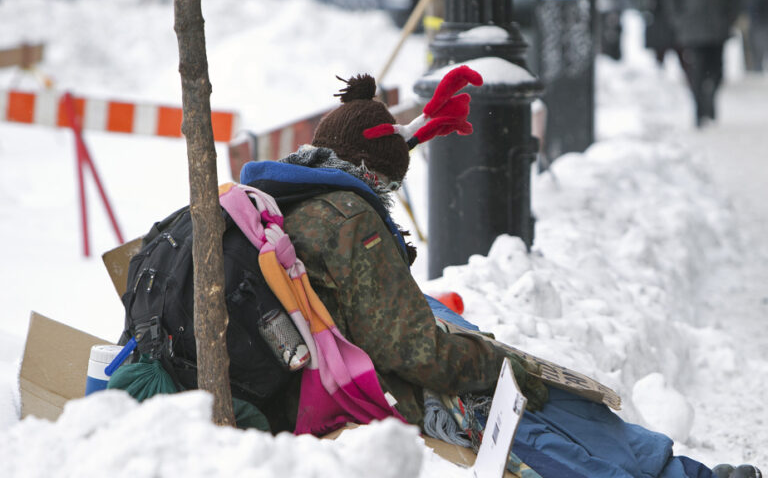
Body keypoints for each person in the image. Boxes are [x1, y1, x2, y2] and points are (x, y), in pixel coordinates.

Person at [238, 71, 762, 478]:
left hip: (332, 370)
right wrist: (498, 362)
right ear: (371, 175)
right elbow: (417, 353)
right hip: (371, 389)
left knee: (537, 393)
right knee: (529, 405)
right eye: (388, 184)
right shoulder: (351, 221)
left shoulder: (296, 196)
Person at [663, 0, 741, 127]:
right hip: (693, 28)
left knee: (717, 70)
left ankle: (709, 100)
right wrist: (679, 21)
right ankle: (699, 110)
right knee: (697, 71)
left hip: (717, 27)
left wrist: (729, 18)